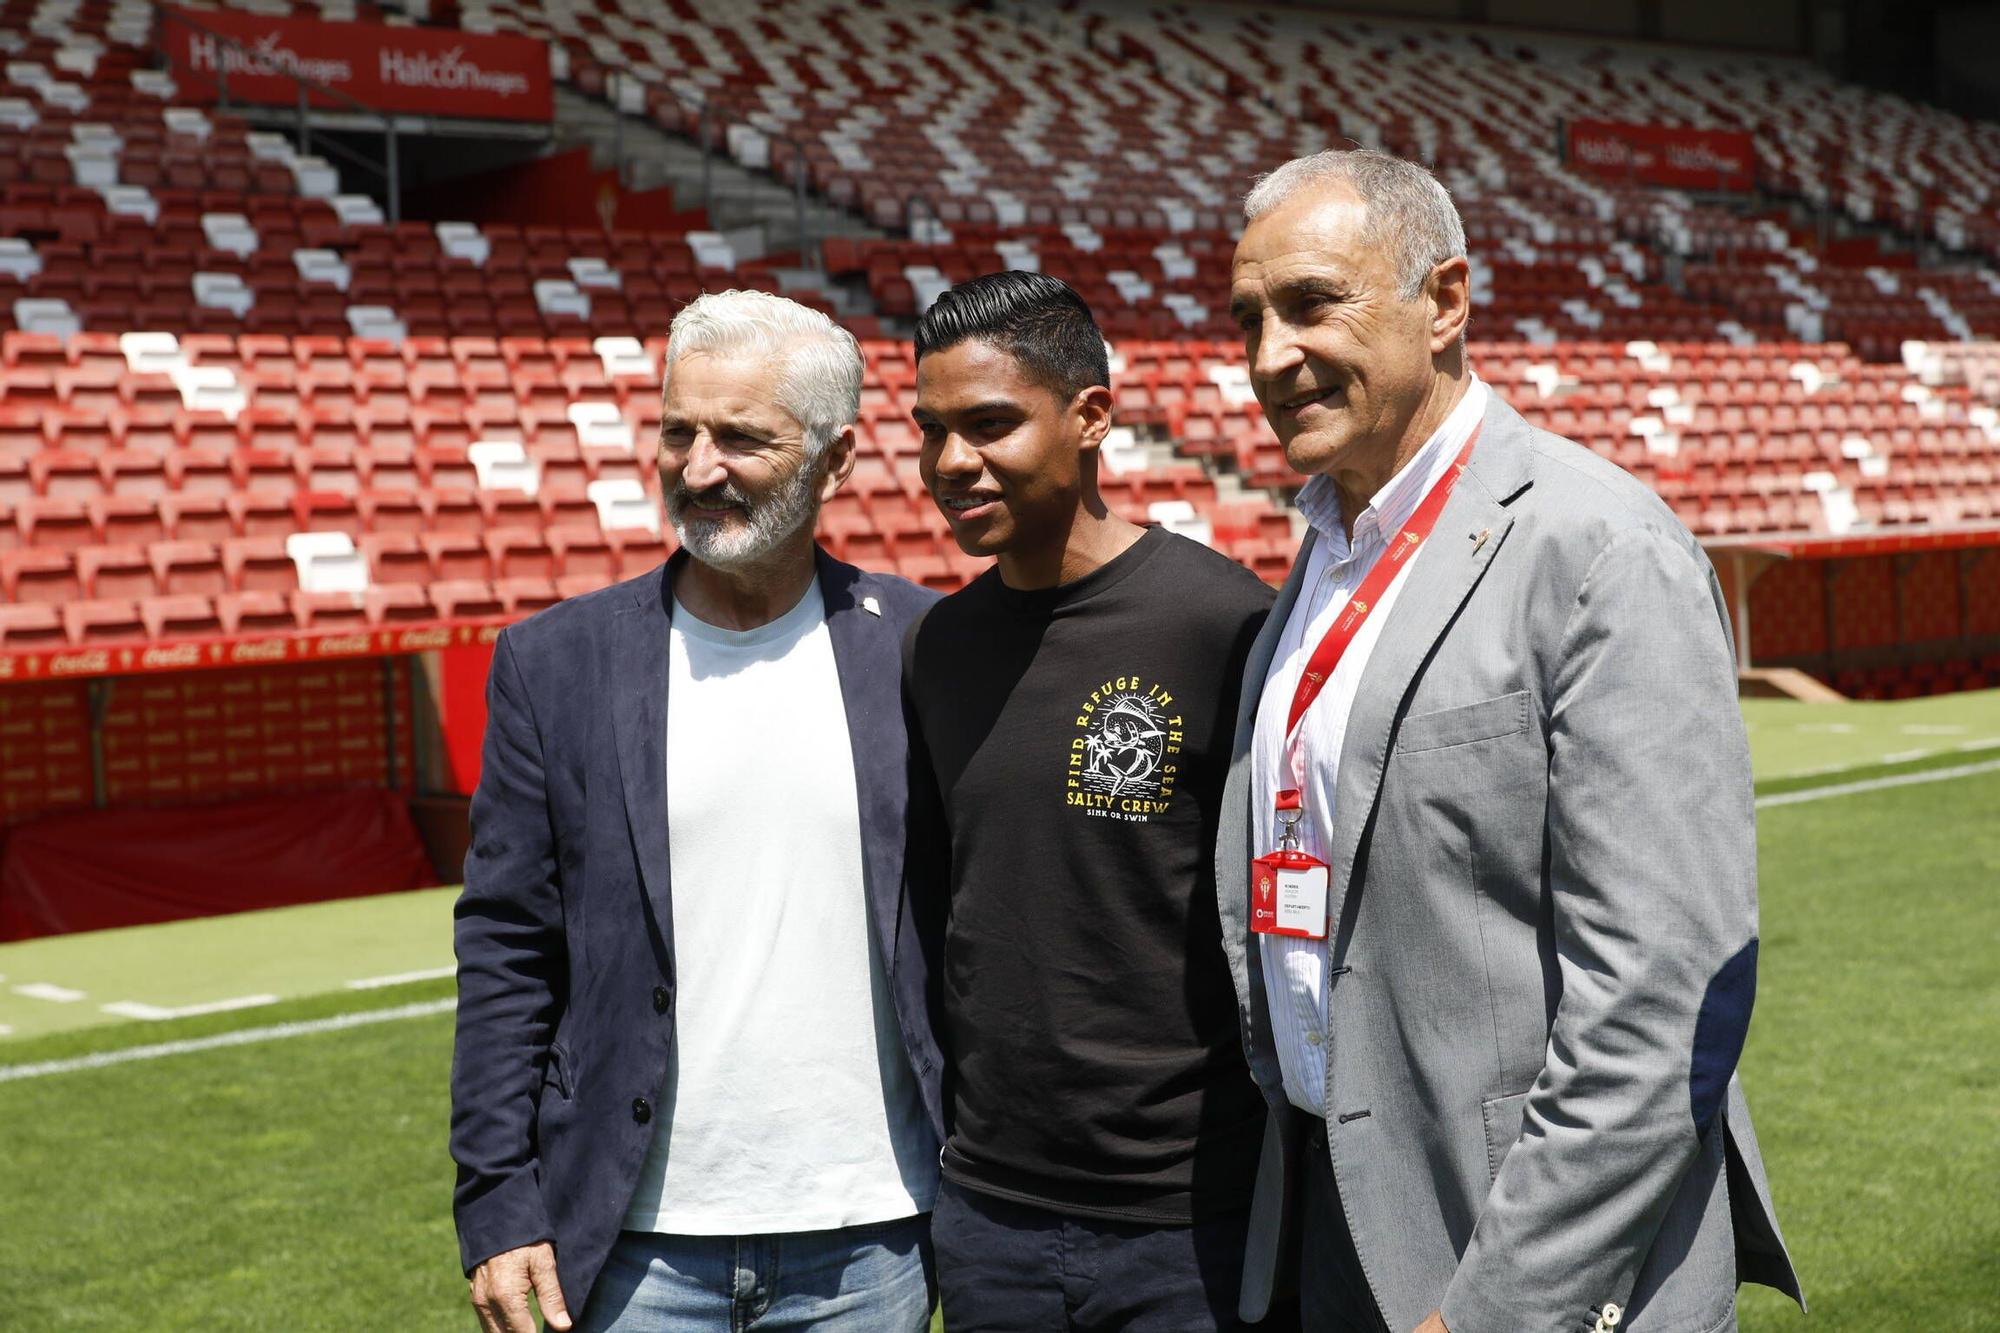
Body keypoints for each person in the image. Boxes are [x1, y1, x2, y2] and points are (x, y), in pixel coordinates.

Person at [1217, 148, 1808, 1332]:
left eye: (1310, 303)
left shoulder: (1595, 548)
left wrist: (1499, 1305)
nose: (1269, 355)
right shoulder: (1326, 555)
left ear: (1443, 301)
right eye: (1247, 318)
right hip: (1333, 1217)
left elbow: (1660, 993)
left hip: (1518, 1259)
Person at [450, 289, 945, 1333]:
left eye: (741, 437)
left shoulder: (922, 648)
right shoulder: (554, 663)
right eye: (678, 430)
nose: (699, 465)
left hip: (869, 1237)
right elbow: (506, 943)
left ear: (836, 457)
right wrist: (496, 1198)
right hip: (633, 1247)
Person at [901, 270, 1281, 1331]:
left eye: (986, 424)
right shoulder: (936, 646)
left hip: (1186, 1222)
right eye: (929, 430)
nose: (949, 462)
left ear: (1091, 418)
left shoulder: (1222, 624)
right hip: (988, 1215)